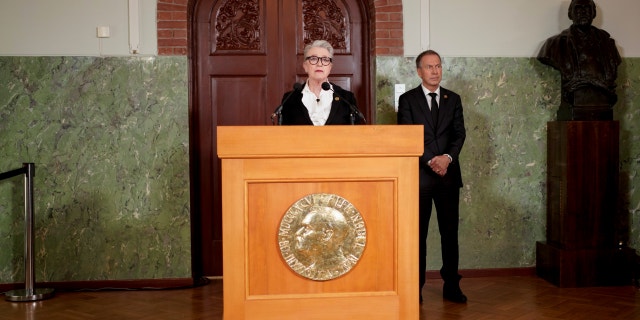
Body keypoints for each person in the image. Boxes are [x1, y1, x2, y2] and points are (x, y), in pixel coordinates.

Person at [397, 50, 467, 303]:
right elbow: (407, 134)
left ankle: (452, 285)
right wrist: (430, 160)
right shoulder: (407, 100)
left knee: (450, 234)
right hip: (420, 178)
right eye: (429, 67)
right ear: (419, 71)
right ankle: (416, 288)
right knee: (419, 234)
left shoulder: (454, 99)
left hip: (448, 176)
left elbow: (459, 134)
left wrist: (447, 159)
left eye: (438, 66)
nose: (435, 71)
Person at [537, 0, 621, 119]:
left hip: (603, 105)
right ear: (570, 14)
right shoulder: (555, 44)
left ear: (594, 13)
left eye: (587, 8)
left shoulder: (608, 44)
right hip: (575, 102)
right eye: (578, 8)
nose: (582, 12)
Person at [280, 40, 363, 125]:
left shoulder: (346, 98)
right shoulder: (290, 99)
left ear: (330, 67)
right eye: (313, 59)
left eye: (325, 59)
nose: (319, 64)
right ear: (305, 66)